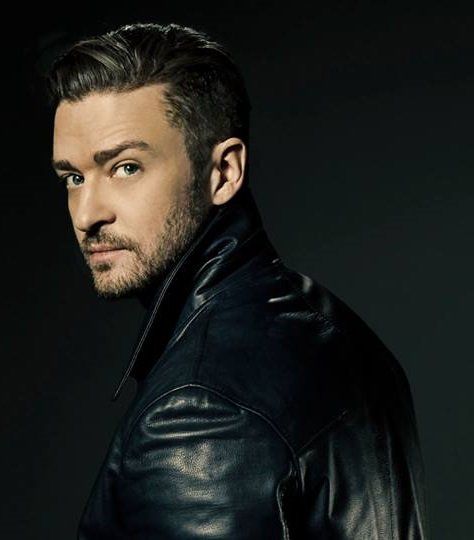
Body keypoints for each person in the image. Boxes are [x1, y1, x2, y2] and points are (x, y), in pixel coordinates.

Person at [46, 21, 429, 539]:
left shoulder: (196, 414)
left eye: (126, 167)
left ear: (223, 172)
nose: (87, 214)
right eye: (73, 177)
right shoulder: (339, 333)